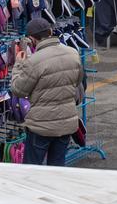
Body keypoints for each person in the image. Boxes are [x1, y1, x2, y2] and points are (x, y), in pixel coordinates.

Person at [9, 16, 84, 167]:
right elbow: (77, 82)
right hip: (66, 121)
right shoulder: (73, 53)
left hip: (41, 125)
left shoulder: (34, 61)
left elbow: (18, 89)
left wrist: (18, 65)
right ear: (50, 31)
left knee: (32, 169)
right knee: (56, 168)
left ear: (32, 39)